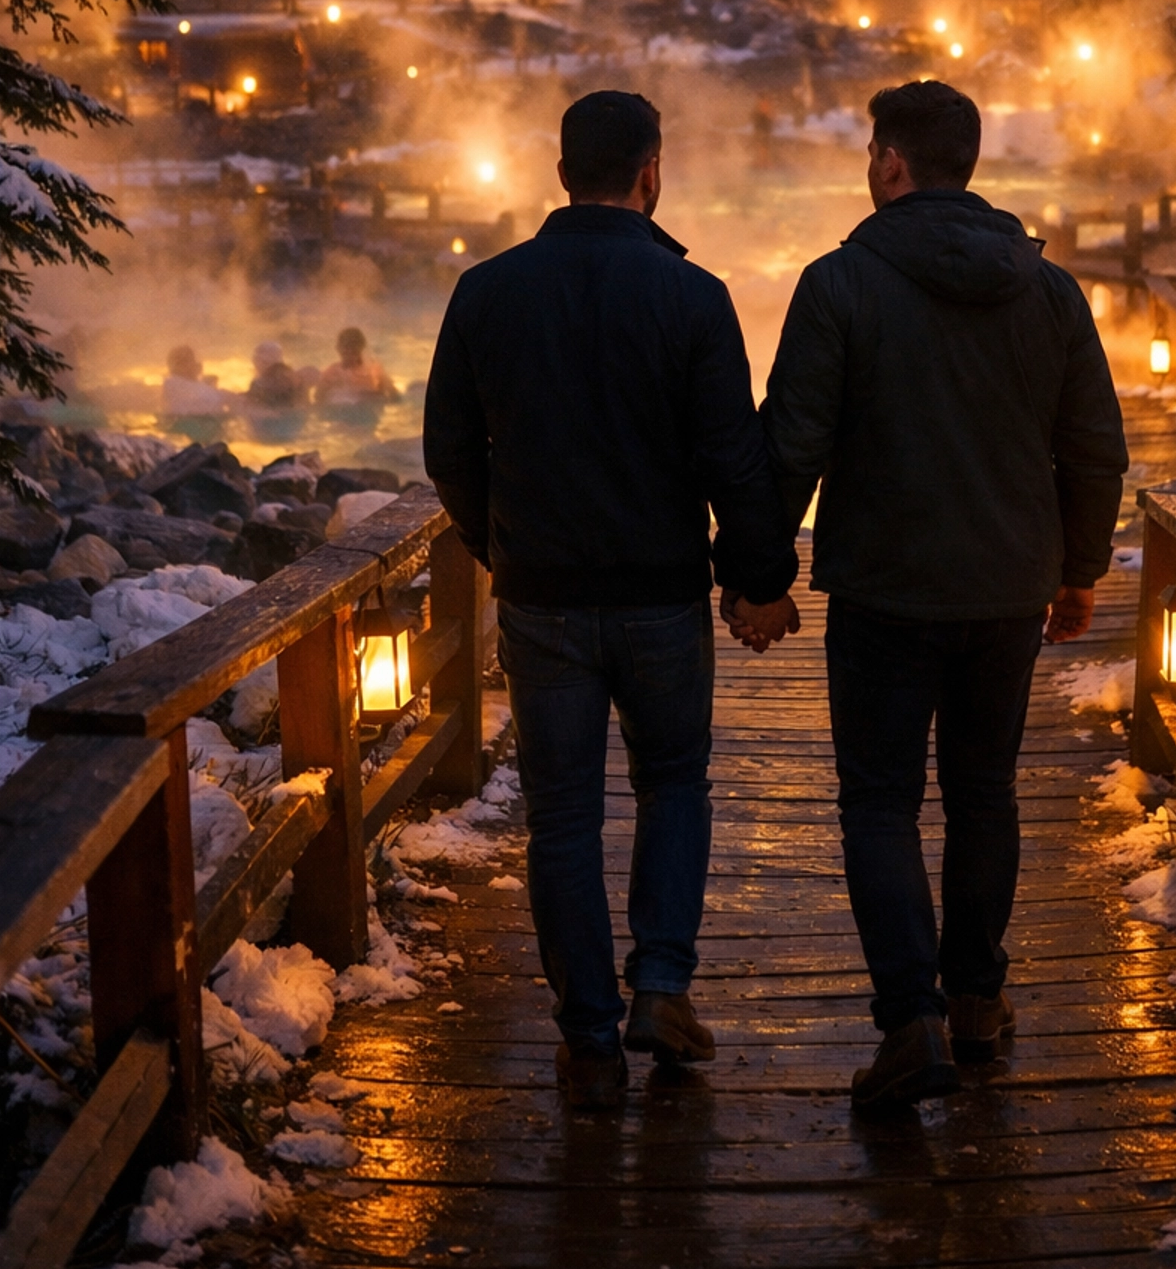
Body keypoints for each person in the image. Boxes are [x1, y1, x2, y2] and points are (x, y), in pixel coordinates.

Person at [424, 90, 799, 1109]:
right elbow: (733, 457)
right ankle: (662, 985)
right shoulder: (692, 296)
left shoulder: (487, 291)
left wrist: (492, 543)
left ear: (560, 176)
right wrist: (757, 578)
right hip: (659, 594)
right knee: (674, 786)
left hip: (542, 596)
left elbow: (449, 450)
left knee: (562, 817)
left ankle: (588, 1031)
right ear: (652, 172)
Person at [759, 80, 1127, 1112]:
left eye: (872, 150)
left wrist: (757, 574)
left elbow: (792, 444)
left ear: (893, 163)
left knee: (880, 803)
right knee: (984, 792)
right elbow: (1095, 446)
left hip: (884, 587)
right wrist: (1079, 570)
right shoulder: (1047, 290)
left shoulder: (841, 284)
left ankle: (909, 1021)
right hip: (1008, 588)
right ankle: (974, 1003)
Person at [317, 326, 396, 411]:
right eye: (347, 348)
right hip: (346, 413)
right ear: (338, 348)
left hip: (365, 413)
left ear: (361, 349)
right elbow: (319, 399)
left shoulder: (374, 371)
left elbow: (394, 396)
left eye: (354, 350)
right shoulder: (331, 373)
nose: (350, 352)